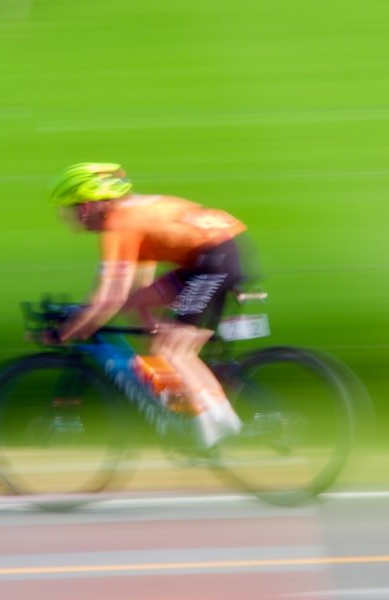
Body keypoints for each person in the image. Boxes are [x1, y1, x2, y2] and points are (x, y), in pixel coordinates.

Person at [47, 162, 249, 448]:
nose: (70, 218)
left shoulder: (120, 222)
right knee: (157, 338)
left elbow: (109, 298)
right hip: (206, 260)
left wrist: (67, 331)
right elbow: (137, 290)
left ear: (86, 205)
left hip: (214, 262)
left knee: (173, 349)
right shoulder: (131, 214)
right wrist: (146, 323)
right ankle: (193, 407)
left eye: (69, 209)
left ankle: (221, 420)